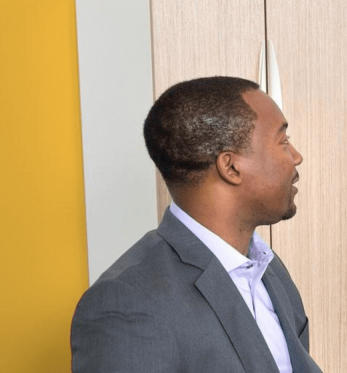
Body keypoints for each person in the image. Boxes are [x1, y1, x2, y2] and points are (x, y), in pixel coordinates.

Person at [70, 77, 321, 373]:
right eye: (283, 142)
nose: (296, 157)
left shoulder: (268, 267)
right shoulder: (128, 304)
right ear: (230, 167)